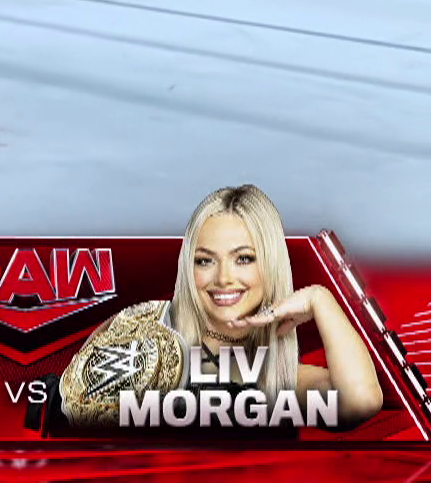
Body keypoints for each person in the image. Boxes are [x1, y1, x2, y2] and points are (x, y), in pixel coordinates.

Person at [54, 184, 383, 432]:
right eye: (205, 261)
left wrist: (319, 299)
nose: (224, 278)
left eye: (243, 258)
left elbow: (361, 400)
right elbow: (74, 402)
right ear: (188, 267)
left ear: (271, 265)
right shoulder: (142, 326)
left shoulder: (276, 378)